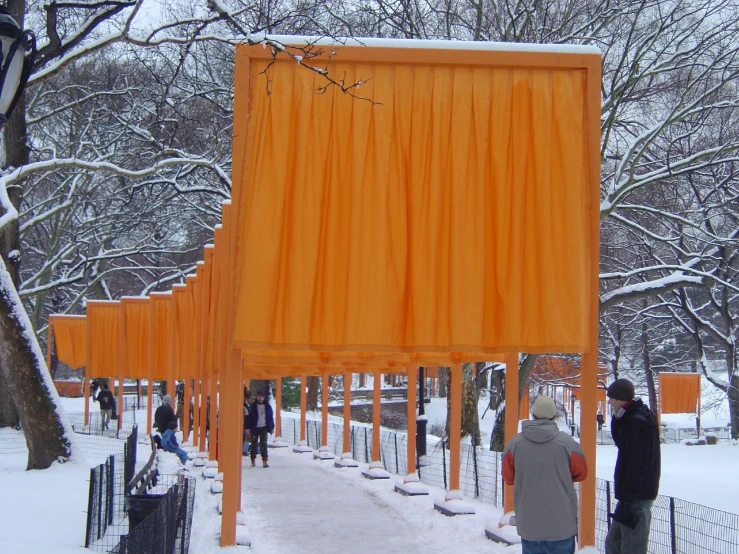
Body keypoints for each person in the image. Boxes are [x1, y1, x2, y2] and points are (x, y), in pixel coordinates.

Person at [502, 395, 588, 554]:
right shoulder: (567, 443)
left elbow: (508, 477)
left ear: (532, 414)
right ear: (554, 416)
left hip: (529, 524)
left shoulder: (514, 444)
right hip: (562, 523)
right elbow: (581, 473)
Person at [605, 378, 661, 554]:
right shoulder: (632, 417)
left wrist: (629, 496)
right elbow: (622, 444)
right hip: (630, 495)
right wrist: (617, 419)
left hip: (636, 495)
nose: (609, 401)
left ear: (621, 399)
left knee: (631, 547)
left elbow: (637, 463)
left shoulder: (637, 422)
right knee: (614, 543)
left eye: (612, 398)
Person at [248, 390, 274, 468]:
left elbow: (270, 417)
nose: (260, 398)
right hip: (254, 427)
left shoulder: (267, 406)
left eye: (261, 397)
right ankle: (253, 460)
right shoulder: (252, 406)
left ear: (263, 398)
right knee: (253, 445)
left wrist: (271, 427)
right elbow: (248, 418)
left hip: (264, 427)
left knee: (264, 444)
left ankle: (265, 461)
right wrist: (248, 427)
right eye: (258, 397)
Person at [243, 389, 252, 456]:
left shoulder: (246, 405)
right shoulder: (245, 406)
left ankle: (244, 449)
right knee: (246, 437)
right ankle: (244, 450)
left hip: (246, 423)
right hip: (246, 423)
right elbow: (247, 416)